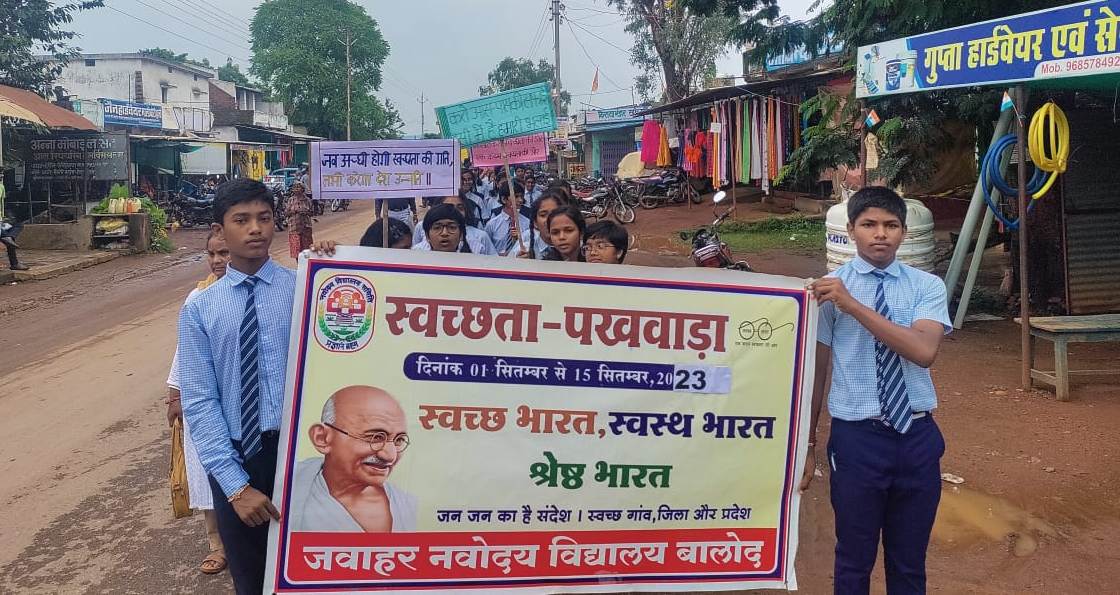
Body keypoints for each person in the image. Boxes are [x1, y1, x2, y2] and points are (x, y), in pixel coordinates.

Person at [178, 178, 335, 595]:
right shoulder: (200, 308)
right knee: (251, 580)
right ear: (220, 230)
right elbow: (199, 400)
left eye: (264, 218)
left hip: (303, 455)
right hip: (239, 456)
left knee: (312, 574)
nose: (255, 229)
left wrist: (335, 268)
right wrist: (235, 485)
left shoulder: (305, 288)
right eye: (241, 219)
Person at [803, 187, 951, 595]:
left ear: (904, 232)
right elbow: (817, 371)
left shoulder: (926, 286)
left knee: (909, 563)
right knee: (853, 559)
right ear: (851, 230)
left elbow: (923, 351)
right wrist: (809, 442)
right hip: (856, 440)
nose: (880, 234)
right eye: (869, 224)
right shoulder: (827, 291)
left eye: (891, 225)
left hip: (917, 438)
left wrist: (853, 305)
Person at [167, 231, 231, 575]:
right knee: (208, 469)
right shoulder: (197, 297)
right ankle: (216, 544)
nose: (218, 261)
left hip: (241, 396)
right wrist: (176, 392)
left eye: (223, 253)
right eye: (212, 254)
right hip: (203, 397)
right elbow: (184, 349)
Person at [288, 386, 417, 532]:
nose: (390, 456)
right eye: (375, 437)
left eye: (399, 440)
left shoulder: (408, 504)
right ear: (322, 438)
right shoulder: (289, 484)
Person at [412, 195, 496, 255]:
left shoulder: (477, 250)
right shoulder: (416, 253)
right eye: (437, 228)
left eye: (452, 227)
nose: (444, 233)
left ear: (461, 234)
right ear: (427, 235)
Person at [510, 189, 566, 260]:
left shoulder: (573, 249)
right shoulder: (524, 250)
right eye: (543, 215)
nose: (548, 220)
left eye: (554, 214)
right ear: (535, 223)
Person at [485, 181, 532, 256]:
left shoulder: (527, 223)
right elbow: (486, 249)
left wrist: (519, 241)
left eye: (521, 197)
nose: (520, 200)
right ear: (504, 199)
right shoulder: (492, 224)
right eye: (516, 197)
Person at [0, 181, 28, 271]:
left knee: (17, 225)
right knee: (8, 235)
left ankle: (9, 237)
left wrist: (3, 218)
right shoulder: (1, 187)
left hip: (1, 222)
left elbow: (1, 205)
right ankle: (14, 263)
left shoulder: (1, 187)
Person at [285, 181, 313, 259]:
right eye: (295, 188)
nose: (296, 189)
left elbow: (312, 212)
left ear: (302, 189)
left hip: (306, 227)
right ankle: (299, 267)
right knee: (297, 251)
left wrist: (304, 212)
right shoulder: (290, 200)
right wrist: (294, 212)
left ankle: (307, 266)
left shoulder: (307, 200)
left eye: (298, 187)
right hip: (294, 228)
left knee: (307, 250)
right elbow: (286, 213)